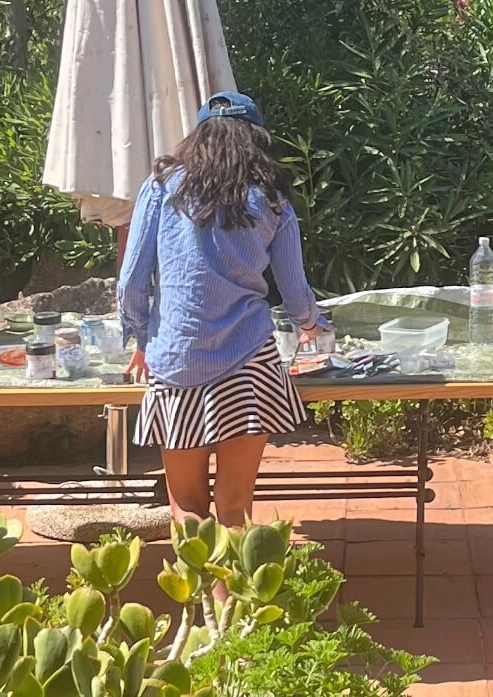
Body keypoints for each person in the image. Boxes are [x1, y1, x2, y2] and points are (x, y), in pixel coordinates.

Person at [118, 91, 329, 549]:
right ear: (256, 139)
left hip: (177, 361)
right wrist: (312, 323)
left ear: (198, 137)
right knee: (235, 507)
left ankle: (199, 596)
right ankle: (232, 596)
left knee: (187, 506)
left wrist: (140, 337)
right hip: (250, 364)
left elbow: (132, 280)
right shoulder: (272, 200)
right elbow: (294, 291)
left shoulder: (161, 187)